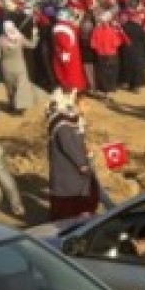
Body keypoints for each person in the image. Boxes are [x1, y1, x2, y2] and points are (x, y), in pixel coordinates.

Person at [46, 91, 100, 220]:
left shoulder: (73, 120)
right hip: (68, 176)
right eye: (85, 104)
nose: (89, 108)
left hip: (74, 175)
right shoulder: (62, 124)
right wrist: (82, 164)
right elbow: (68, 145)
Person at [0, 20, 34, 114]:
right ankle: (20, 107)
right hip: (20, 66)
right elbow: (32, 45)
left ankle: (12, 105)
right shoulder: (20, 37)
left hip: (6, 67)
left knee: (10, 88)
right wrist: (35, 35)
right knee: (21, 87)